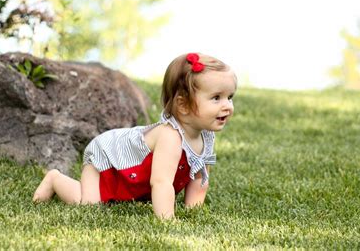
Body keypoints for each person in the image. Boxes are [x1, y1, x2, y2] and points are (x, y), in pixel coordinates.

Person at [33, 52, 237, 219]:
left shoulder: (207, 136)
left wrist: (194, 212)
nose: (227, 106)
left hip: (131, 177)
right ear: (182, 105)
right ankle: (55, 179)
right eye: (216, 98)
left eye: (229, 97)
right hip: (108, 159)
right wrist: (168, 220)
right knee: (88, 204)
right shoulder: (170, 136)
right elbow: (161, 182)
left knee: (118, 199)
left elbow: (200, 177)